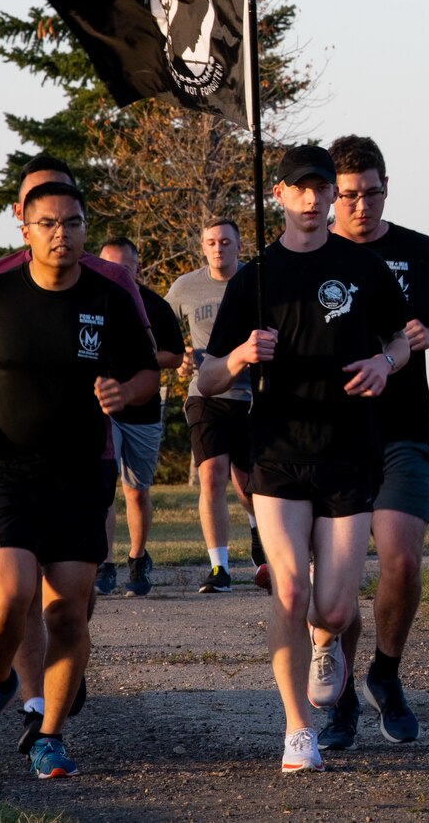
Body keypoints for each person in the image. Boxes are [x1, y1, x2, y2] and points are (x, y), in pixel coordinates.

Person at [0, 181, 158, 780]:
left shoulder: (110, 294)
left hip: (82, 475)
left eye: (73, 223)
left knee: (67, 616)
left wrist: (123, 391)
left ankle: (50, 735)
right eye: (49, 223)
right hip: (7, 468)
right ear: (24, 231)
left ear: (85, 228)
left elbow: (148, 374)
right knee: (10, 595)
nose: (62, 234)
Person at [197, 144, 411, 773]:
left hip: (350, 452)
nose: (314, 200)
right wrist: (240, 357)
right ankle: (298, 729)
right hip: (279, 451)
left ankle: (327, 641)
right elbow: (208, 376)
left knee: (336, 609)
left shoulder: (363, 267)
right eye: (301, 189)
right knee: (289, 589)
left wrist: (384, 362)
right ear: (281, 197)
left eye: (324, 189)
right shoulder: (253, 277)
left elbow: (402, 335)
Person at [316, 135, 429, 750]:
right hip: (330, 438)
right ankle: (343, 697)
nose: (361, 206)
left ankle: (387, 671)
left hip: (401, 431)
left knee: (401, 560)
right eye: (348, 195)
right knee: (341, 579)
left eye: (371, 193)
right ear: (329, 197)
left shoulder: (419, 251)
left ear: (385, 189)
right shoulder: (310, 257)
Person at [168, 218, 263, 593]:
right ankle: (219, 568)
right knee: (211, 476)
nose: (218, 248)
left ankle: (258, 533)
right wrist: (180, 356)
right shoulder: (186, 287)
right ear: (202, 247)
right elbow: (160, 327)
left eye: (225, 242)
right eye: (211, 243)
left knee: (247, 487)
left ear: (239, 245)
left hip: (249, 397)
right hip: (205, 395)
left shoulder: (255, 282)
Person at [94, 236, 186, 598]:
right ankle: (104, 563)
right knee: (104, 487)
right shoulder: (89, 300)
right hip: (104, 410)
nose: (116, 273)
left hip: (143, 411)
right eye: (109, 266)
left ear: (138, 268)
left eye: (124, 268)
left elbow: (175, 356)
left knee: (136, 490)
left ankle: (138, 558)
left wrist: (142, 361)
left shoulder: (154, 305)